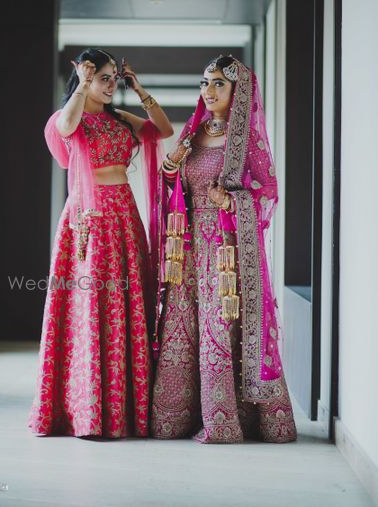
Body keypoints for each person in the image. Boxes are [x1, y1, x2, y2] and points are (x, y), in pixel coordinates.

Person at [151, 54, 297, 443]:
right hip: (186, 249)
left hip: (224, 250)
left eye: (218, 83)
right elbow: (174, 184)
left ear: (238, 90)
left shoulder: (245, 138)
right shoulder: (193, 132)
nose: (209, 90)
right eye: (204, 83)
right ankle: (177, 418)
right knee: (182, 327)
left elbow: (268, 190)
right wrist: (170, 169)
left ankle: (226, 420)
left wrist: (232, 201)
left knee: (219, 328)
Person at [28, 48, 173, 439]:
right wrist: (79, 83)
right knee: (88, 304)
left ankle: (123, 409)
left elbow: (162, 130)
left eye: (113, 78)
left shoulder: (119, 119)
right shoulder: (69, 119)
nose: (110, 85)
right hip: (86, 218)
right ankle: (86, 412)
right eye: (103, 78)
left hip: (124, 216)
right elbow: (64, 128)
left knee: (125, 304)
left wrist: (139, 89)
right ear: (85, 79)